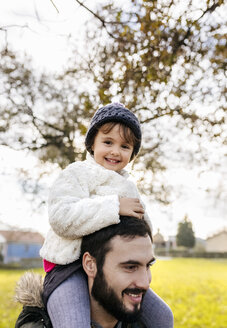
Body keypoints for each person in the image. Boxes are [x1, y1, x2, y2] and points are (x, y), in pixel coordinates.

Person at [39, 103, 173, 327]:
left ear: (132, 153)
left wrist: (145, 238)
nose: (115, 151)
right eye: (108, 142)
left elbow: (142, 224)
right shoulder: (77, 174)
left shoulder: (128, 186)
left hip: (111, 267)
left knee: (163, 316)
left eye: (125, 146)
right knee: (74, 323)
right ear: (92, 142)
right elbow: (61, 217)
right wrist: (113, 207)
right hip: (68, 267)